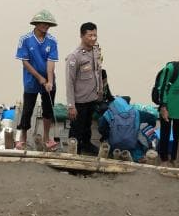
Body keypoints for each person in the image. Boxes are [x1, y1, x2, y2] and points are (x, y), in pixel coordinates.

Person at [15, 9, 59, 151]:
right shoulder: (25, 39)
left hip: (48, 79)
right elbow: (25, 62)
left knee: (48, 109)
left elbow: (51, 62)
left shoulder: (52, 41)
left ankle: (46, 137)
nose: (46, 26)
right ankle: (23, 137)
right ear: (36, 23)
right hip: (31, 80)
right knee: (28, 109)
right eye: (43, 23)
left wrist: (49, 81)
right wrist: (39, 78)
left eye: (48, 24)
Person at [66, 22, 103, 155]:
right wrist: (71, 106)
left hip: (92, 98)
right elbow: (69, 82)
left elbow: (98, 72)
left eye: (95, 35)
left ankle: (86, 144)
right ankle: (74, 151)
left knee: (87, 126)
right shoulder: (74, 57)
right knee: (76, 129)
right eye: (90, 35)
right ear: (82, 36)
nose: (93, 38)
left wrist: (100, 91)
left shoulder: (96, 51)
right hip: (79, 101)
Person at [98, 96, 158, 162]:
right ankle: (138, 157)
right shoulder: (136, 112)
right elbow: (152, 119)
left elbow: (101, 128)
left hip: (113, 144)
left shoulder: (108, 113)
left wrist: (109, 134)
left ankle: (113, 154)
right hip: (132, 144)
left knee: (107, 141)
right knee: (141, 131)